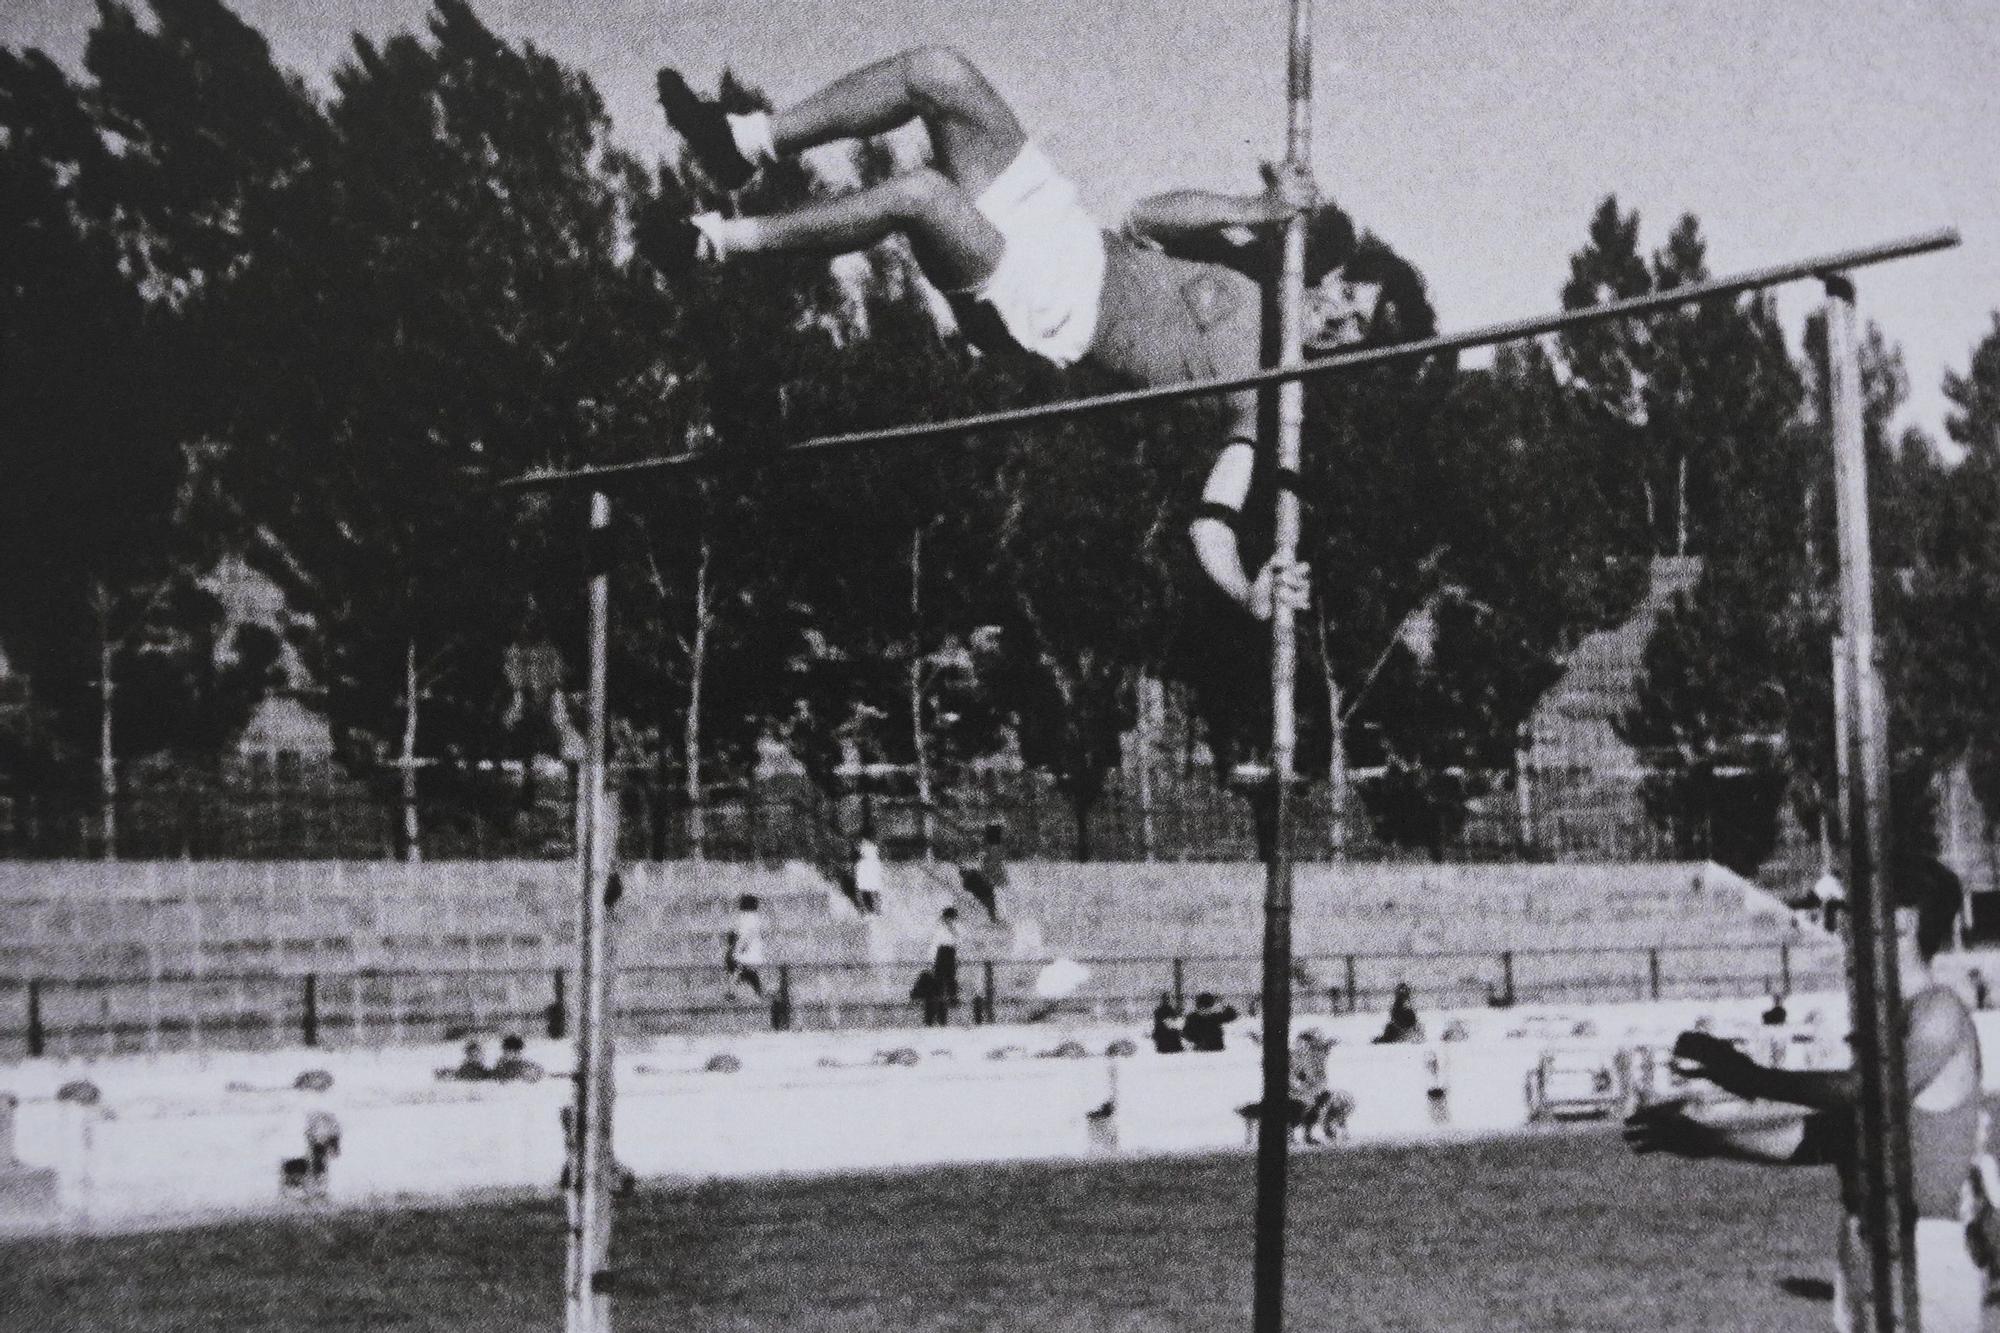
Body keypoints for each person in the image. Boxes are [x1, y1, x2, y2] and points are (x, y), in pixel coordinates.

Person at [643, 52, 1415, 619]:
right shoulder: (1261, 259)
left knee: (919, 195)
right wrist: (1253, 207)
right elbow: (1146, 218)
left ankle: (713, 241)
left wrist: (1248, 587)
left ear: (1355, 357)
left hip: (1049, 307)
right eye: (1345, 291)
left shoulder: (1265, 402)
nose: (1332, 309)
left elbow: (1211, 520)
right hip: (1070, 234)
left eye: (1351, 326)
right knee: (936, 73)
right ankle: (743, 143)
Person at [1624, 853, 1985, 1331]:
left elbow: (1862, 1092)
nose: (1841, 929)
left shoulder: (1939, 1012)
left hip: (1923, 1253)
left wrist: (1749, 1078)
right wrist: (1705, 1140)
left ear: (1903, 921)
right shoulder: (1889, 1024)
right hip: (1867, 1247)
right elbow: (1825, 1136)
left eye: (1855, 914)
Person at [958, 819, 1007, 924]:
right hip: (986, 876)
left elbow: (988, 863)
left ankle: (991, 917)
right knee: (989, 898)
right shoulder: (993, 848)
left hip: (985, 876)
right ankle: (992, 917)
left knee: (988, 897)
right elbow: (990, 864)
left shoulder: (990, 849)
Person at [726, 893, 767, 1000]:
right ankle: (759, 991)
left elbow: (743, 935)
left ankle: (731, 992)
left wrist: (737, 949)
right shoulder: (756, 918)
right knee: (752, 972)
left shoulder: (744, 918)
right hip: (754, 949)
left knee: (737, 971)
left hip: (745, 949)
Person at [929, 906, 962, 1011]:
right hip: (943, 951)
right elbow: (936, 941)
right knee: (941, 976)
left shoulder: (953, 927)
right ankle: (939, 998)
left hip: (949, 951)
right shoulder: (941, 926)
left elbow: (957, 940)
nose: (951, 920)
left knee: (950, 976)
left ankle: (951, 998)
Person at [852, 831, 884, 916]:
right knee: (867, 889)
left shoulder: (863, 844)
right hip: (867, 866)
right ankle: (870, 909)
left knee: (869, 889)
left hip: (869, 866)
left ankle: (870, 909)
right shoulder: (871, 845)